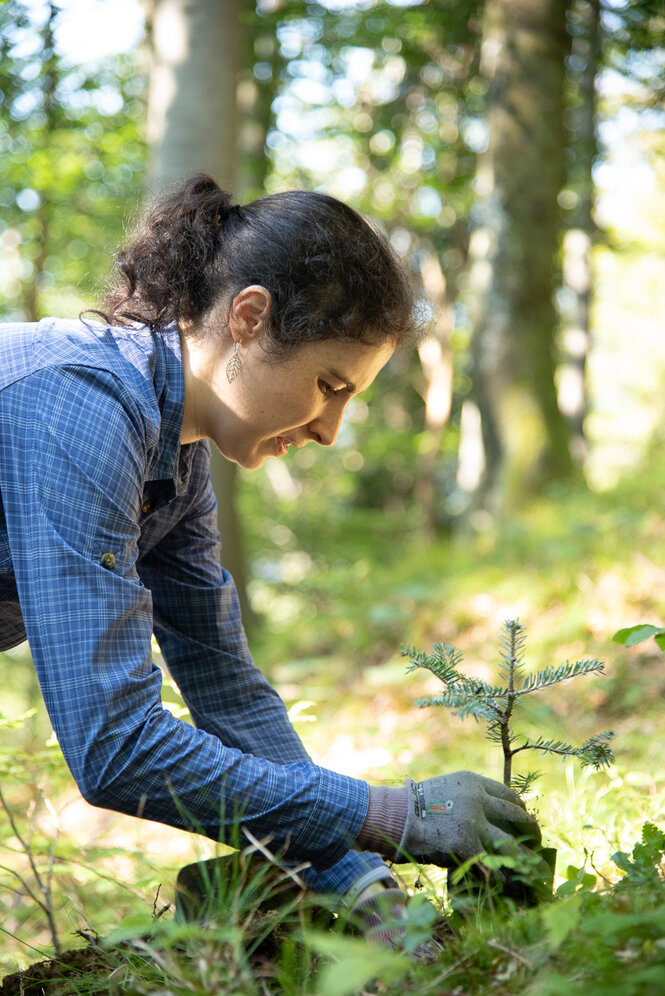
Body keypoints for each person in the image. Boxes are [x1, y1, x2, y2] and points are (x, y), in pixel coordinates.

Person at [0, 175, 540, 939]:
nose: (330, 431)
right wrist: (391, 815)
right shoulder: (80, 405)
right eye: (328, 386)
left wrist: (370, 898)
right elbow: (113, 746)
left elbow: (227, 690)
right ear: (248, 317)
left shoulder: (174, 462)